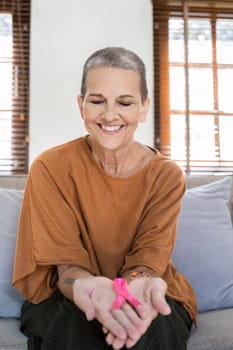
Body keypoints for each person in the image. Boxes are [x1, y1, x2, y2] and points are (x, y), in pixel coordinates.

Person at [13, 47, 197, 350]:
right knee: (78, 319)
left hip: (147, 291)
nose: (110, 115)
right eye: (97, 101)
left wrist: (132, 288)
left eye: (124, 102)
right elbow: (68, 269)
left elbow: (147, 263)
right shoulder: (50, 167)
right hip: (68, 295)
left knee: (147, 321)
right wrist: (91, 288)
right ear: (81, 105)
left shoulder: (166, 176)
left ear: (143, 108)